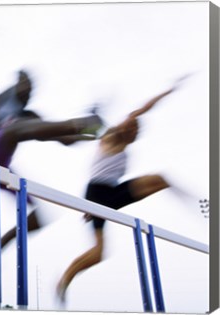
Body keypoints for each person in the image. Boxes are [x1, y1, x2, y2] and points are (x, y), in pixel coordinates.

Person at [55, 80, 186, 304]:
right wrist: (169, 90)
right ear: (127, 127)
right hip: (97, 192)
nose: (133, 132)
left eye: (136, 132)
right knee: (98, 252)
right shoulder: (114, 134)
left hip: (112, 193)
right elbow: (143, 108)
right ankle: (65, 280)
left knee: (161, 180)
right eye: (132, 128)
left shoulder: (125, 146)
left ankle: (196, 203)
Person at [0, 71, 102, 250]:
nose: (28, 91)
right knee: (14, 130)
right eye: (24, 85)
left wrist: (90, 135)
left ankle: (0, 244)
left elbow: (65, 139)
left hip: (1, 168)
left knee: (39, 217)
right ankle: (80, 123)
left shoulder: (30, 116)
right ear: (16, 86)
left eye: (31, 89)